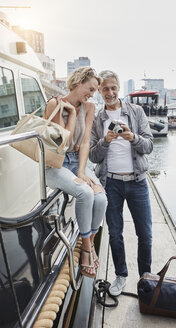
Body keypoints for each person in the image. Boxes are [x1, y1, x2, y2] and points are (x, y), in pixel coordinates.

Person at [89, 70, 153, 295]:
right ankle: (120, 275)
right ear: (99, 91)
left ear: (119, 88)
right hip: (111, 184)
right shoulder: (98, 119)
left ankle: (146, 278)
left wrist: (132, 137)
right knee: (115, 233)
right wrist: (106, 141)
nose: (110, 92)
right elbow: (93, 156)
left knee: (145, 234)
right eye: (105, 88)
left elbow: (149, 146)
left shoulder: (136, 112)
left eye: (113, 87)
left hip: (137, 182)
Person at [44, 67, 107, 278]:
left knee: (101, 199)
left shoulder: (89, 107)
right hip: (55, 165)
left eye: (95, 90)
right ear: (78, 82)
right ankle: (87, 249)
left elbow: (86, 141)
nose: (92, 94)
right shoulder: (55, 104)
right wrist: (70, 112)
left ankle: (87, 240)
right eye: (90, 88)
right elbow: (66, 143)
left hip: (76, 163)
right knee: (85, 193)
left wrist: (82, 171)